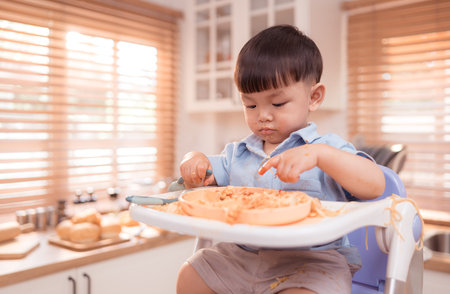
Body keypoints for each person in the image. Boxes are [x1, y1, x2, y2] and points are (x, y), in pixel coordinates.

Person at [176, 25, 385, 294]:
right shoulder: (237, 153)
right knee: (191, 273)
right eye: (250, 105)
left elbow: (376, 184)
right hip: (242, 256)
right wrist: (194, 159)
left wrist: (320, 156)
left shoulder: (326, 149)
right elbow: (203, 175)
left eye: (277, 104)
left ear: (314, 97)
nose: (262, 115)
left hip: (311, 263)